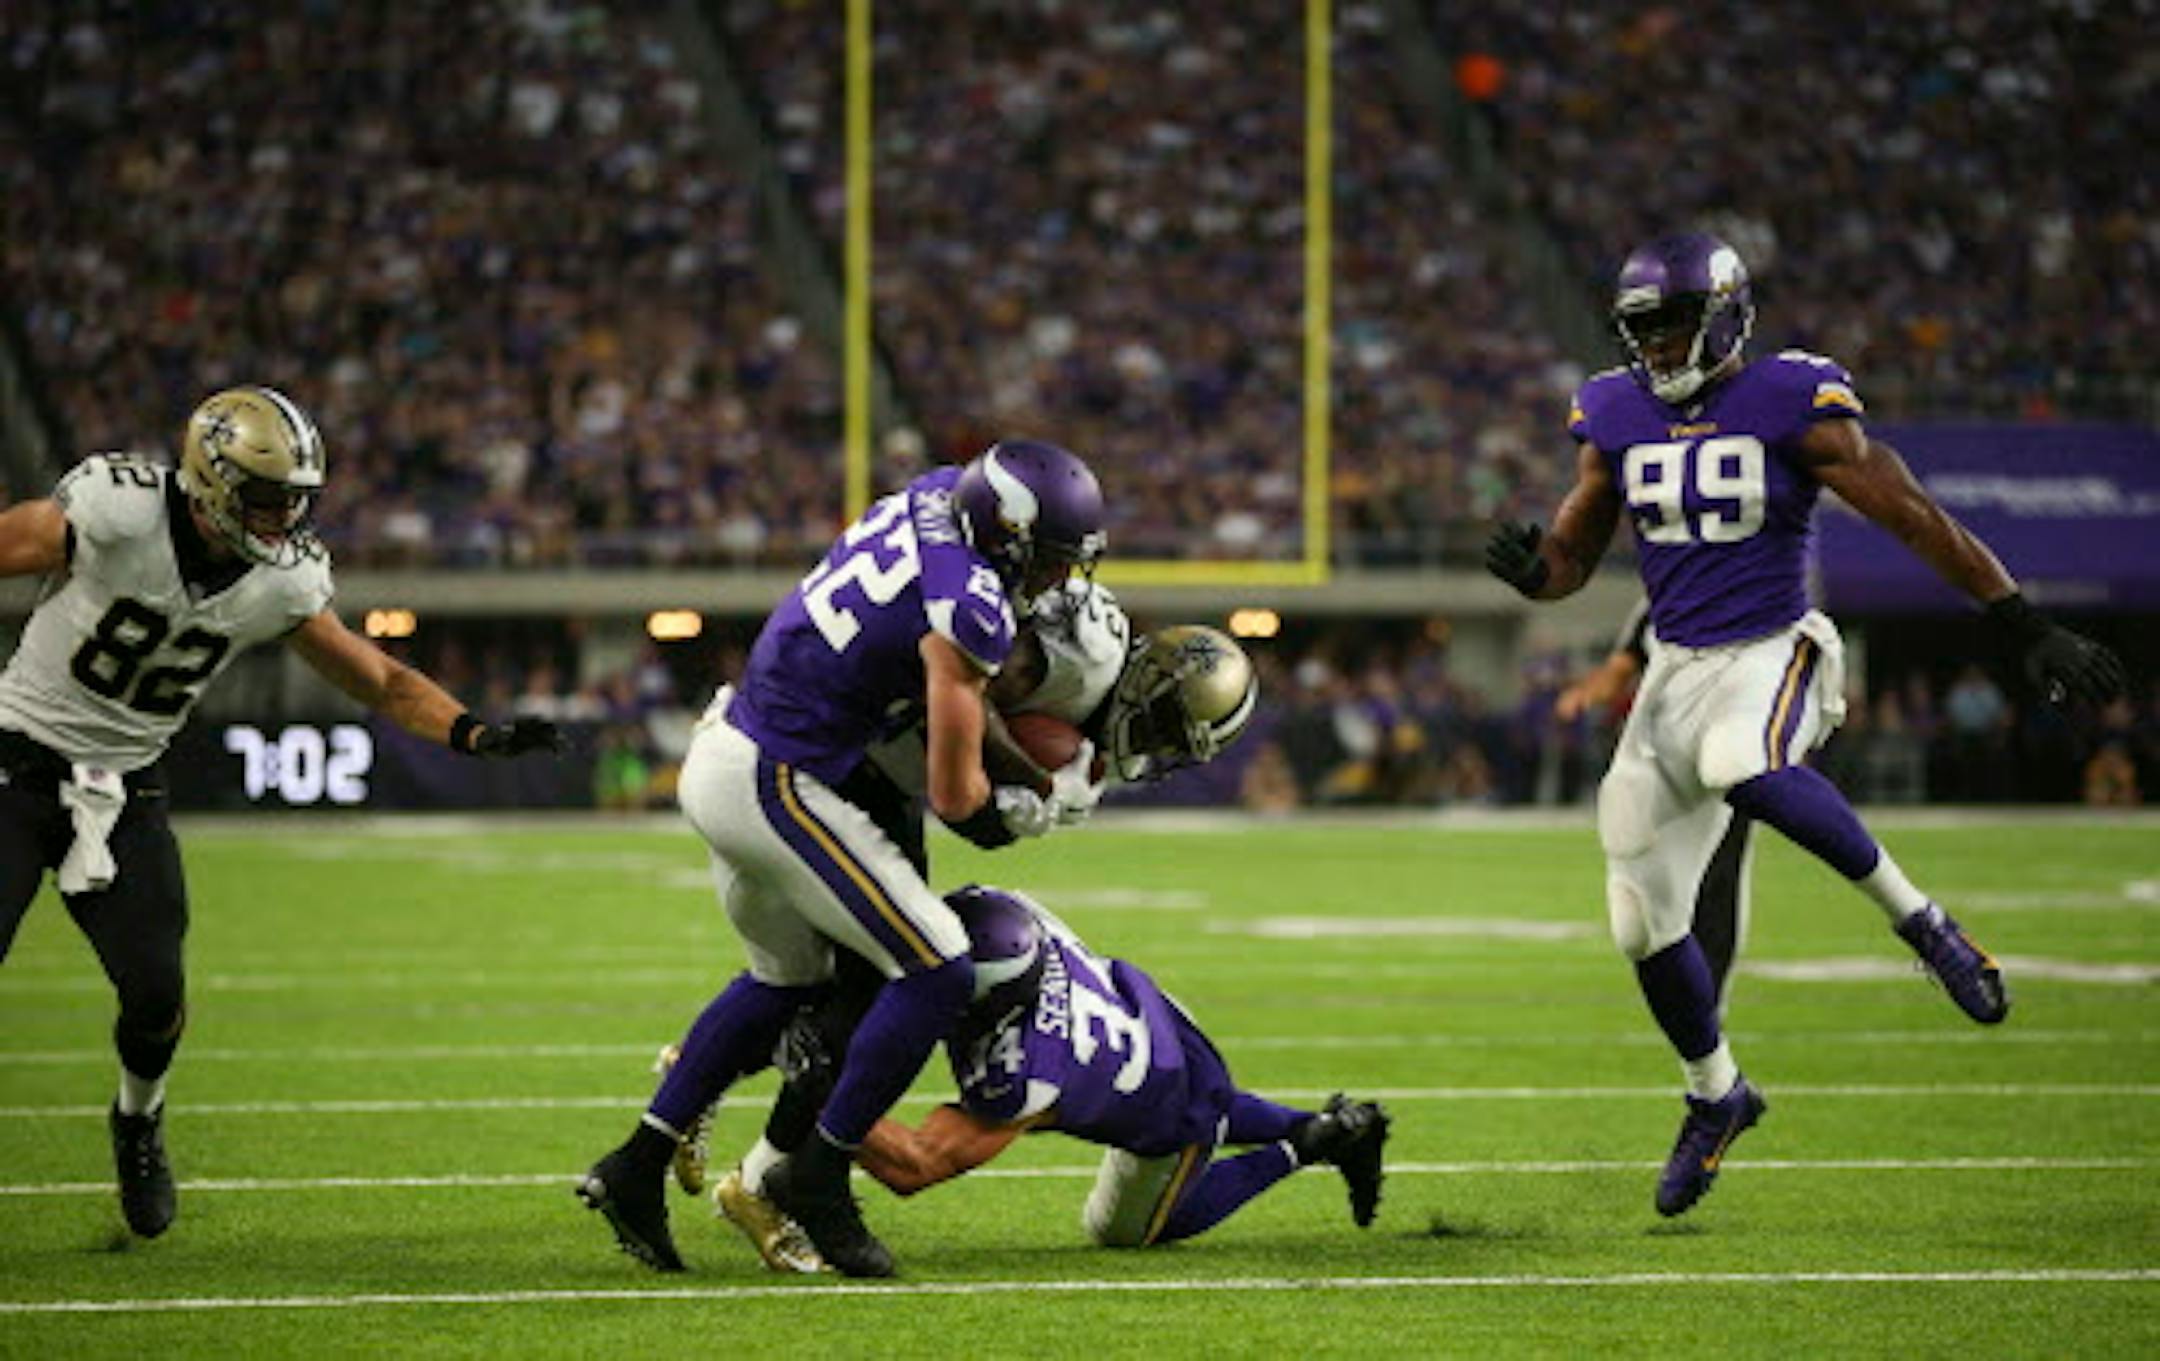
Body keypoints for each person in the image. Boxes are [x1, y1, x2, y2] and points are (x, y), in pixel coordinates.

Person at [1484, 232, 2126, 1217]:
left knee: (1745, 760)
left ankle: (1928, 923)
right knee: (1636, 917)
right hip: (1674, 669)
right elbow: (1574, 551)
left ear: (1727, 315)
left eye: (1672, 327)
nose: (1656, 351)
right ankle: (1717, 1095)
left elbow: (1910, 513)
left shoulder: (1790, 397)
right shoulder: (1611, 413)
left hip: (1773, 646)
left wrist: (2020, 620)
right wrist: (1536, 572)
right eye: (1642, 332)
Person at [0, 387, 562, 1240]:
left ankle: (137, 1120)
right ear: (211, 479)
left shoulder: (281, 578)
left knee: (157, 993)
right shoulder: (116, 509)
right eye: (267, 498)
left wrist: (473, 731)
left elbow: (377, 678)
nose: (283, 517)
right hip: (16, 758)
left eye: (297, 499)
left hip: (124, 788)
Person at [576, 439, 1110, 1278]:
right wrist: (1045, 800)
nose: (1055, 581)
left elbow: (946, 688)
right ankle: (817, 1175)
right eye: (1047, 562)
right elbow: (955, 794)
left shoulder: (937, 496)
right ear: (1008, 538)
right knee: (938, 963)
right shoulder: (968, 602)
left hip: (734, 742)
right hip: (775, 776)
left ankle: (634, 1165)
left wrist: (1029, 768)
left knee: (789, 985)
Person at [696, 594, 1262, 1272]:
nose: (1156, 744)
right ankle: (755, 1132)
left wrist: (1021, 801)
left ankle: (755, 1162)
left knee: (855, 987)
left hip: (877, 773)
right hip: (848, 758)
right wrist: (1024, 781)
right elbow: (962, 692)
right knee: (887, 978)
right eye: (1166, 725)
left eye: (1175, 742)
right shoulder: (1078, 651)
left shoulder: (1090, 733)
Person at [861, 884, 1390, 1252]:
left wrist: (819, 1098)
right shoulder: (1008, 920)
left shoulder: (1026, 1078)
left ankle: (1308, 1145)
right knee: (1209, 1097)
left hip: (1162, 1092)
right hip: (1151, 1015)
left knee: (1120, 1231)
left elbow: (917, 1166)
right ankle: (1321, 1126)